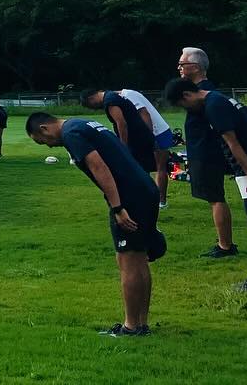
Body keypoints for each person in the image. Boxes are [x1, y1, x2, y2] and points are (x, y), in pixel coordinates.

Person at [26, 112, 165, 336]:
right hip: (144, 189)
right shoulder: (82, 124)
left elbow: (99, 168)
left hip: (129, 196)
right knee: (138, 258)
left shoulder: (72, 134)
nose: (47, 146)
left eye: (41, 141)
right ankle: (141, 323)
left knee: (127, 259)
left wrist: (118, 207)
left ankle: (130, 327)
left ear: (44, 128)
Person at [166, 80, 247, 293]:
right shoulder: (217, 98)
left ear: (186, 96)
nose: (186, 110)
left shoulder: (213, 106)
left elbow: (233, 143)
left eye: (183, 105)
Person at [175, 47, 237, 259]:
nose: (179, 68)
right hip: (200, 150)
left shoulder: (204, 93)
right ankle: (224, 242)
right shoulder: (198, 91)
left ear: (196, 67)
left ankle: (225, 245)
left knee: (215, 197)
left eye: (182, 64)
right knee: (213, 197)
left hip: (207, 153)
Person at [115, 86, 174, 207]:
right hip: (155, 133)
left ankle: (161, 201)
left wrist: (148, 138)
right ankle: (148, 199)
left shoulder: (128, 95)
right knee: (143, 167)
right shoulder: (126, 96)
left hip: (158, 132)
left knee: (160, 167)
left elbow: (144, 113)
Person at [81, 89, 157, 176]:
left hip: (136, 139)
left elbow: (121, 123)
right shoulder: (112, 95)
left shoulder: (110, 101)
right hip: (142, 136)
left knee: (138, 170)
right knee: (143, 169)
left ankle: (144, 188)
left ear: (91, 99)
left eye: (90, 106)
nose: (94, 108)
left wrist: (123, 145)